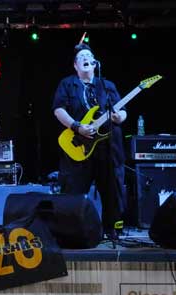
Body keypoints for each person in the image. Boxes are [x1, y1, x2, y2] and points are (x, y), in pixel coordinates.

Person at [52, 42, 127, 240]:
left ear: (94, 64)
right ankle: (71, 230)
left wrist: (120, 117)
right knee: (74, 190)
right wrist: (77, 127)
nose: (85, 58)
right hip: (79, 145)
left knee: (111, 188)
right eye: (81, 57)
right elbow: (59, 109)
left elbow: (122, 111)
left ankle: (112, 229)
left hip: (107, 146)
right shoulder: (67, 84)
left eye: (88, 56)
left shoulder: (106, 85)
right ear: (75, 66)